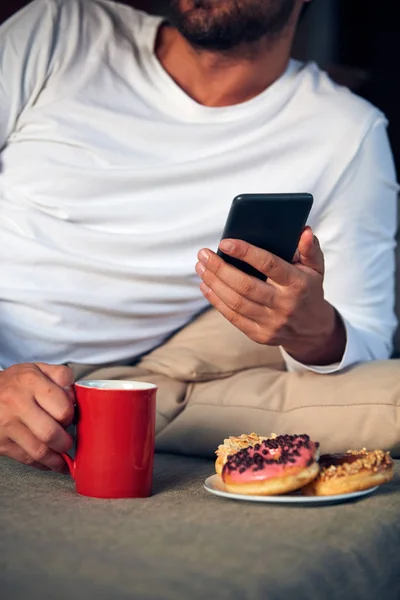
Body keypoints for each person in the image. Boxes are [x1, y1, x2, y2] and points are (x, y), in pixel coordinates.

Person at [0, 0, 397, 472]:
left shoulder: (346, 132)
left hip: (136, 380)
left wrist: (314, 331)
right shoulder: (58, 32)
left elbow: (367, 336)